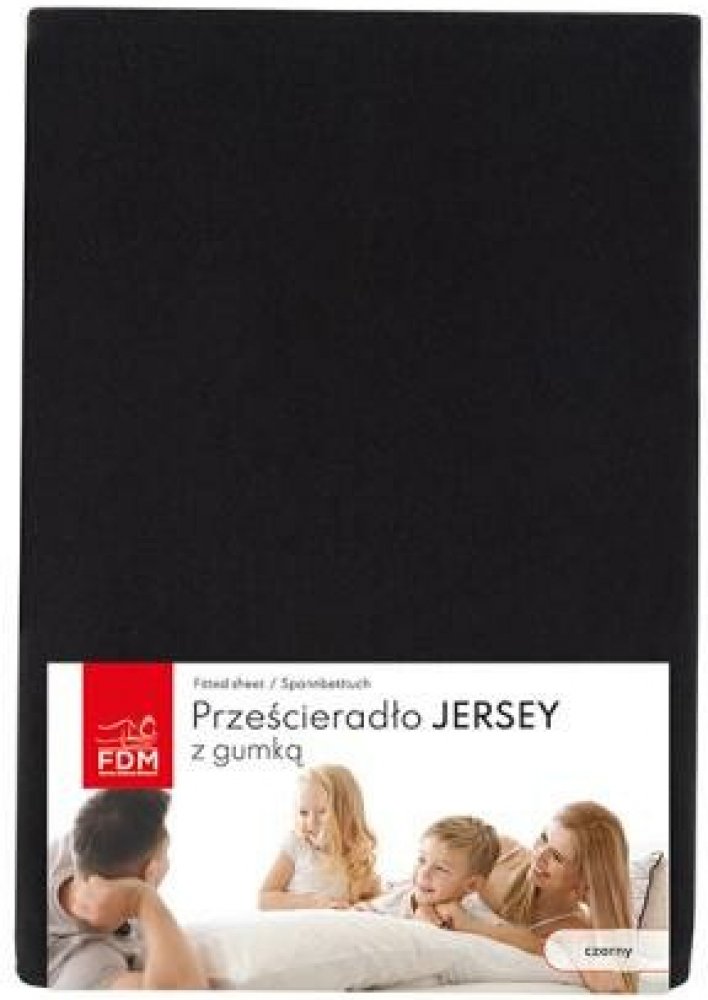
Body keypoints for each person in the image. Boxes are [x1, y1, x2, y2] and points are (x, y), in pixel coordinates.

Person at [422, 801, 637, 993]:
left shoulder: (573, 928)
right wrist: (424, 908)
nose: (539, 857)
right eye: (543, 838)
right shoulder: (501, 854)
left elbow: (612, 986)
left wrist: (469, 924)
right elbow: (424, 874)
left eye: (557, 857)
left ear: (585, 876)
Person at [47, 789, 207, 989]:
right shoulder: (89, 964)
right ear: (150, 871)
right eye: (166, 853)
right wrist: (143, 899)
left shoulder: (85, 839)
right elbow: (186, 990)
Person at [259, 765, 380, 909]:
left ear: (346, 816)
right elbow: (264, 898)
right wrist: (315, 902)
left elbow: (371, 905)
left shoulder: (357, 859)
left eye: (322, 812)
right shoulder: (297, 845)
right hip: (301, 922)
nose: (311, 822)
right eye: (303, 813)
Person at [359, 815, 500, 926]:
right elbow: (365, 910)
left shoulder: (474, 915)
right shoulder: (402, 893)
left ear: (471, 885)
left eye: (440, 868)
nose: (424, 873)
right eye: (422, 860)